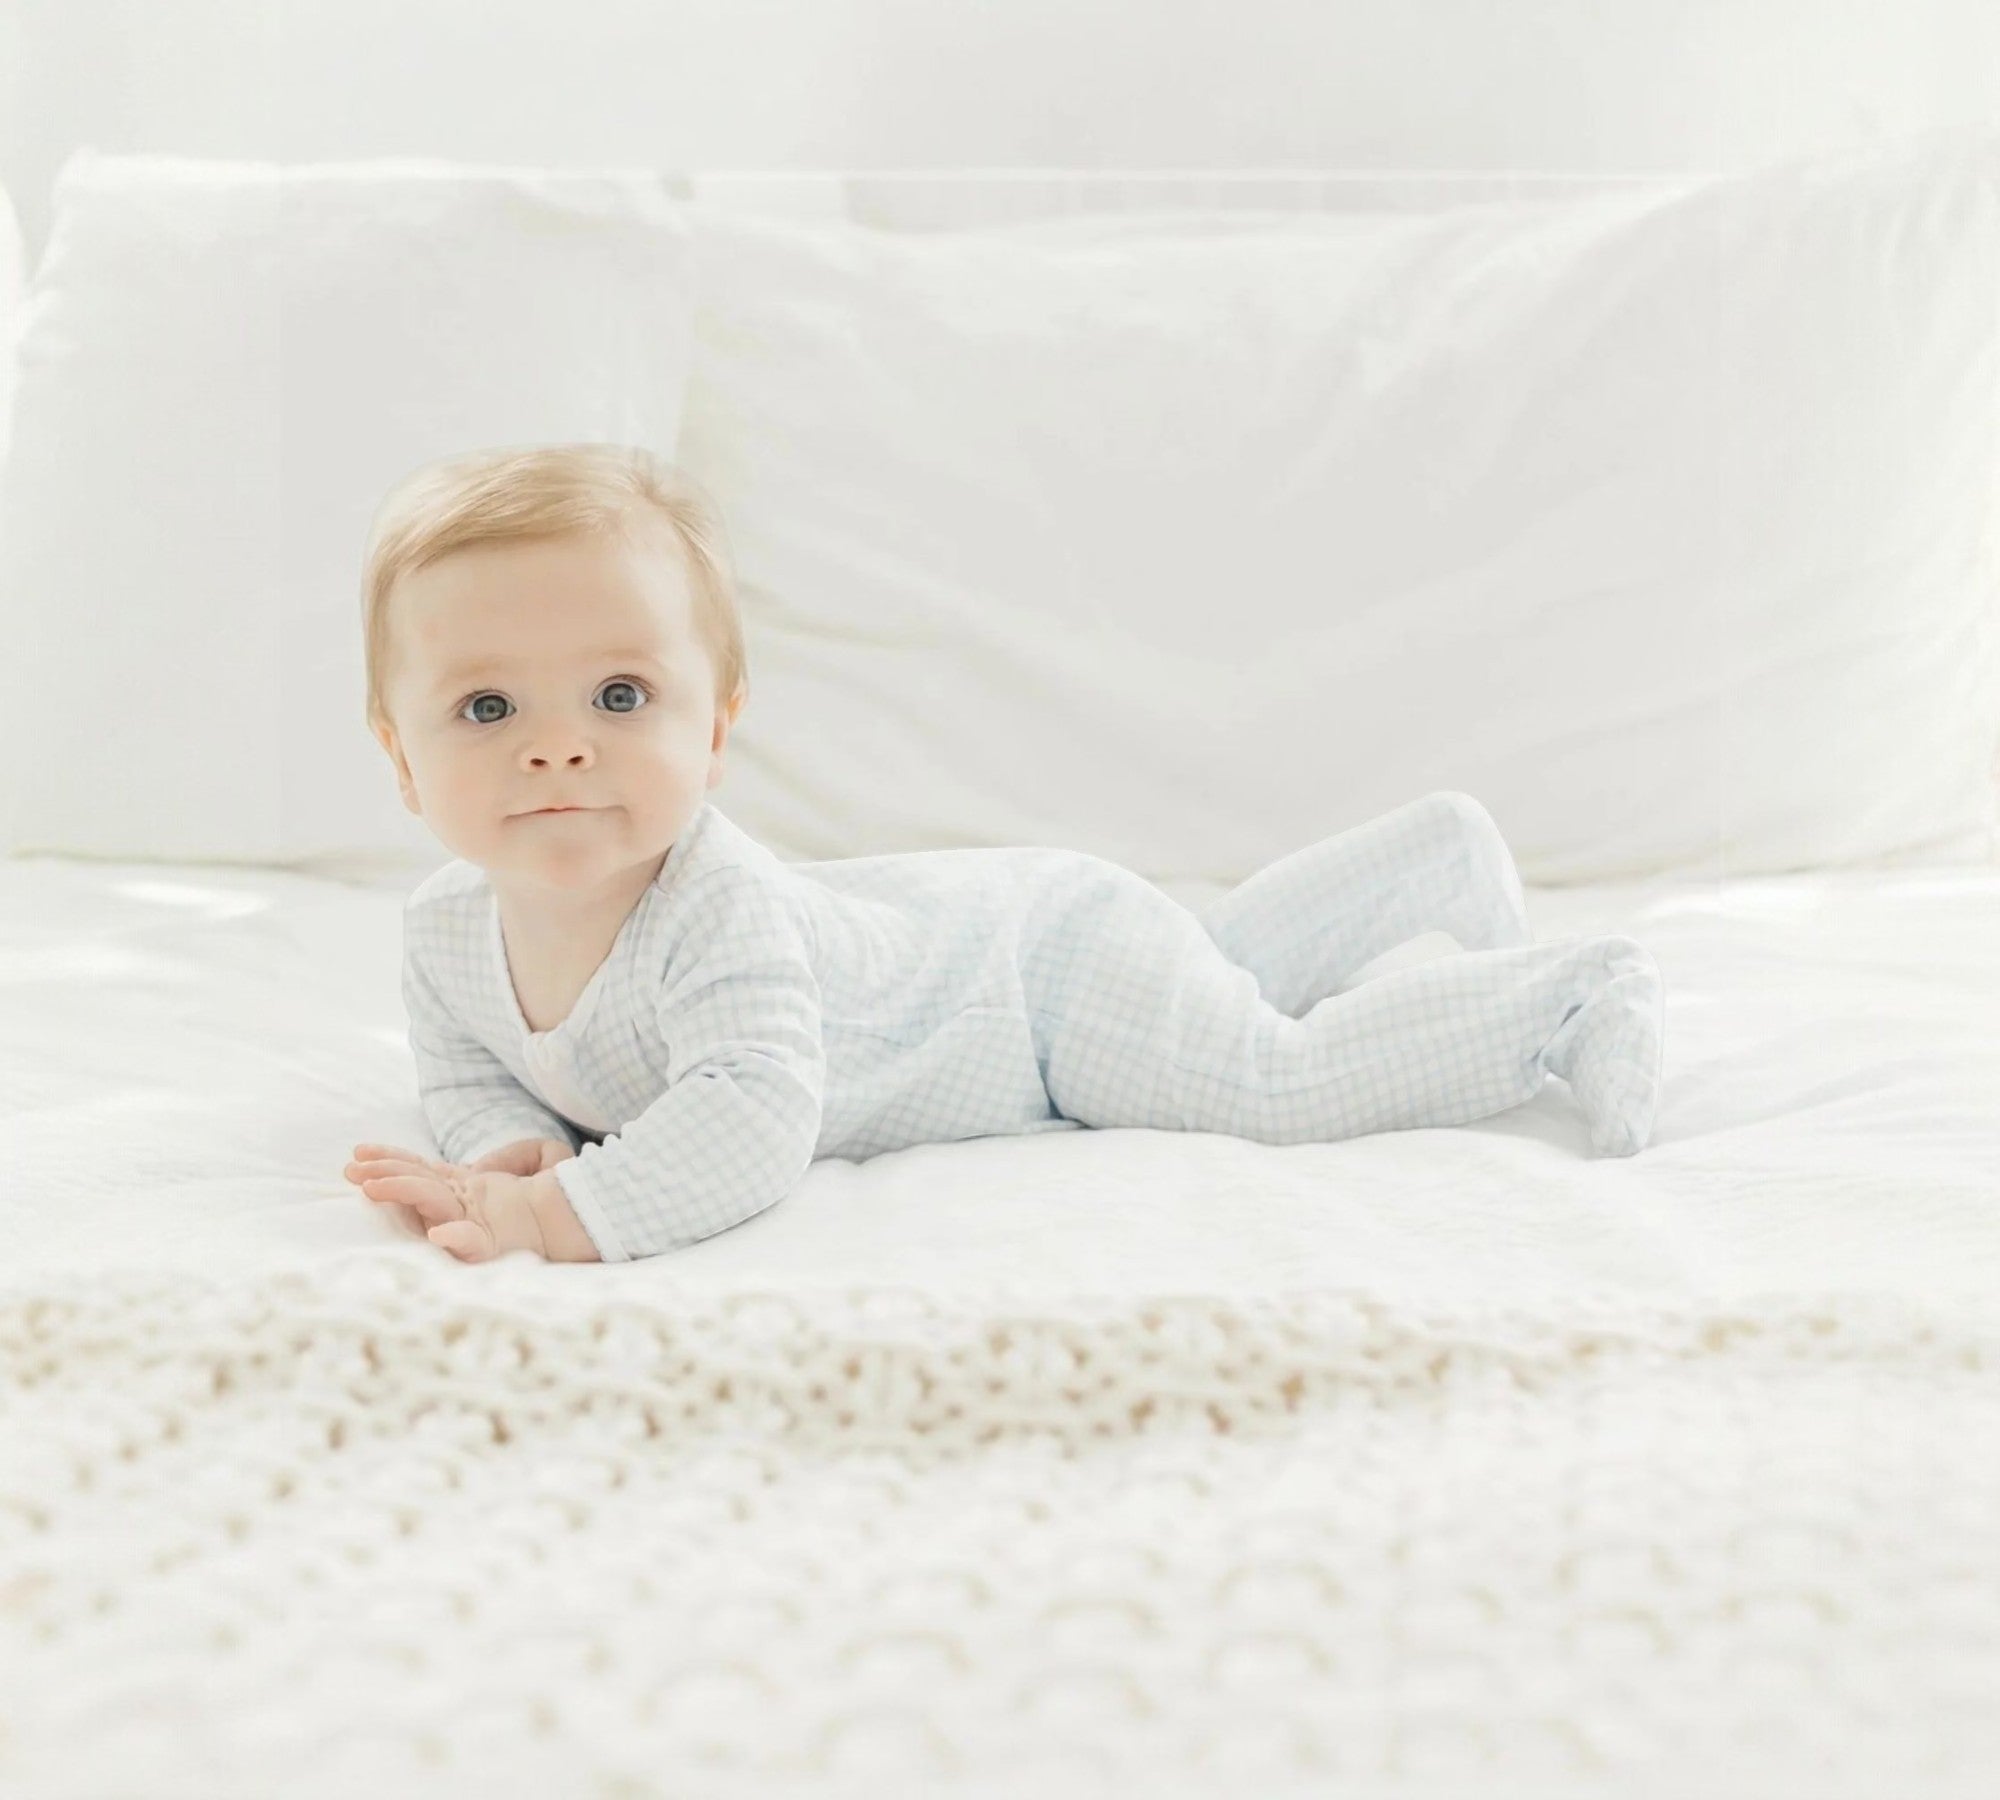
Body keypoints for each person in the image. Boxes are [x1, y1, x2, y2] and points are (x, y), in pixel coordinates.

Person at [344, 443, 1664, 1266]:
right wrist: (509, 1145)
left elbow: (747, 1125)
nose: (559, 749)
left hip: (1037, 989)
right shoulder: (445, 937)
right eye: (486, 709)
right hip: (1010, 919)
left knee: (1270, 1079)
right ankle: (1429, 862)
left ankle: (1568, 995)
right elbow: (467, 1070)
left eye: (620, 697)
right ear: (401, 760)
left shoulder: (715, 916)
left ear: (717, 733)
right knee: (1215, 975)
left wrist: (561, 1218)